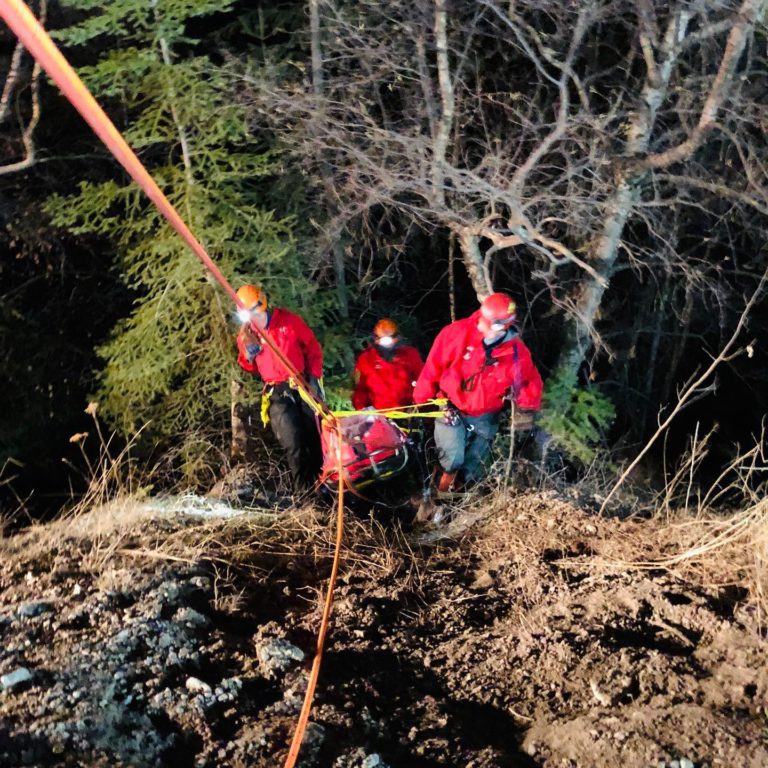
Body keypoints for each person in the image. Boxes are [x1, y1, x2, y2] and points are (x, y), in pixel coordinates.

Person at [413, 292, 543, 492]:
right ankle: (438, 495)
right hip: (450, 408)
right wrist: (423, 401)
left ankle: (461, 498)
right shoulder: (456, 334)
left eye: (488, 324)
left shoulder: (516, 353)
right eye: (482, 320)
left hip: (486, 416)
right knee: (452, 458)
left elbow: (529, 380)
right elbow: (433, 367)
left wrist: (527, 408)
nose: (481, 326)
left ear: (502, 326)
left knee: (473, 466)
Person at [235, 284, 324, 491]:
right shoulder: (246, 336)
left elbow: (312, 347)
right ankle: (305, 492)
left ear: (262, 306)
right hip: (277, 392)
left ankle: (325, 481)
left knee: (315, 436)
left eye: (254, 312)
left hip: (302, 385)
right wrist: (249, 357)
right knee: (293, 442)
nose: (253, 319)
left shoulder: (289, 322)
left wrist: (314, 378)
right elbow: (248, 366)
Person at [352, 318, 424, 411]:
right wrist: (362, 411)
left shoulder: (410, 355)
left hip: (406, 412)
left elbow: (422, 381)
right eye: (381, 338)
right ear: (375, 339)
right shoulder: (366, 359)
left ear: (397, 338)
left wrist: (419, 404)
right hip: (379, 416)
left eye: (389, 338)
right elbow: (360, 390)